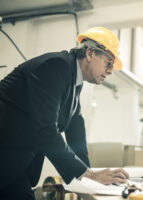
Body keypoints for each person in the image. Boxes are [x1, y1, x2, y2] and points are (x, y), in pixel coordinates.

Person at [0, 27, 129, 199]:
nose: (110, 71)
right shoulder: (55, 66)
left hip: (14, 164)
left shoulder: (75, 80)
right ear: (90, 53)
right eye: (108, 63)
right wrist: (89, 176)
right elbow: (46, 130)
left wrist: (89, 175)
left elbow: (76, 128)